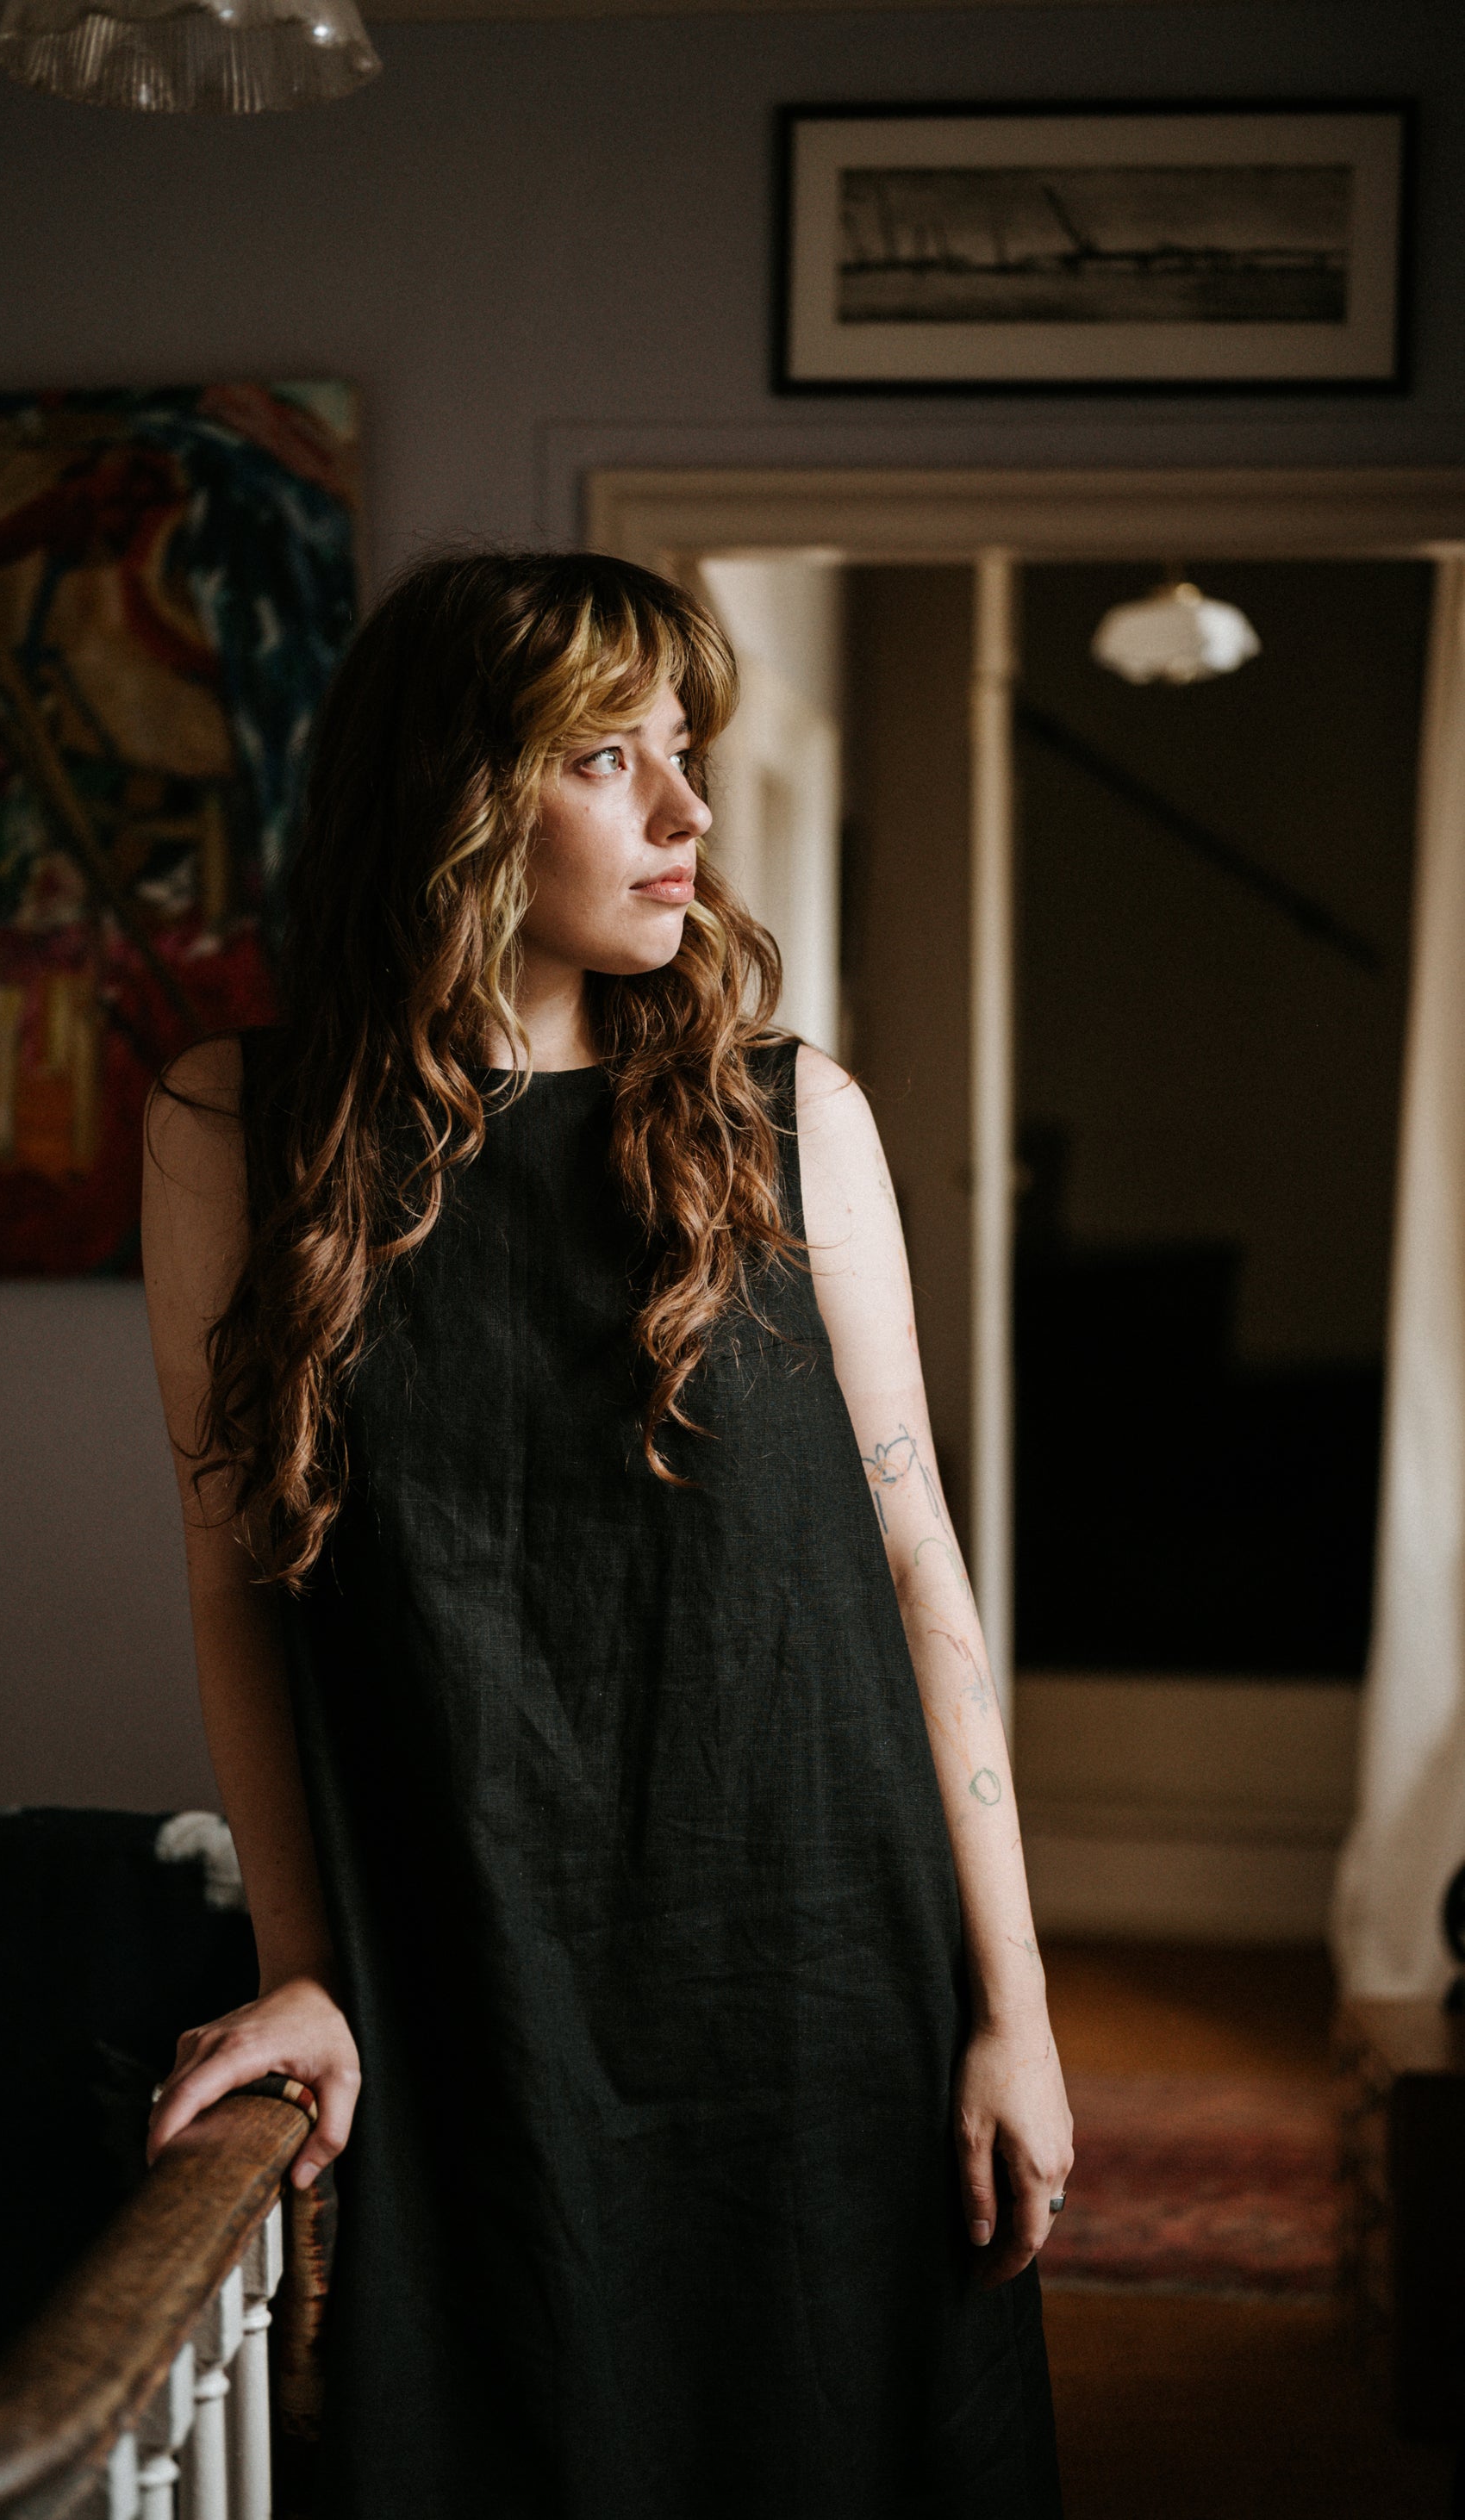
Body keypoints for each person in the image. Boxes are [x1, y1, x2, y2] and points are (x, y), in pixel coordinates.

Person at [141, 551, 1072, 2518]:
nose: (687, 813)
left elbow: (920, 1574)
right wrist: (306, 1963)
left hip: (825, 1981)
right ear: (464, 797)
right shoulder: (237, 1125)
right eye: (607, 756)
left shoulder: (791, 1111)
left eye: (688, 753)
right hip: (481, 1997)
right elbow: (241, 1583)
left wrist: (1016, 2007)